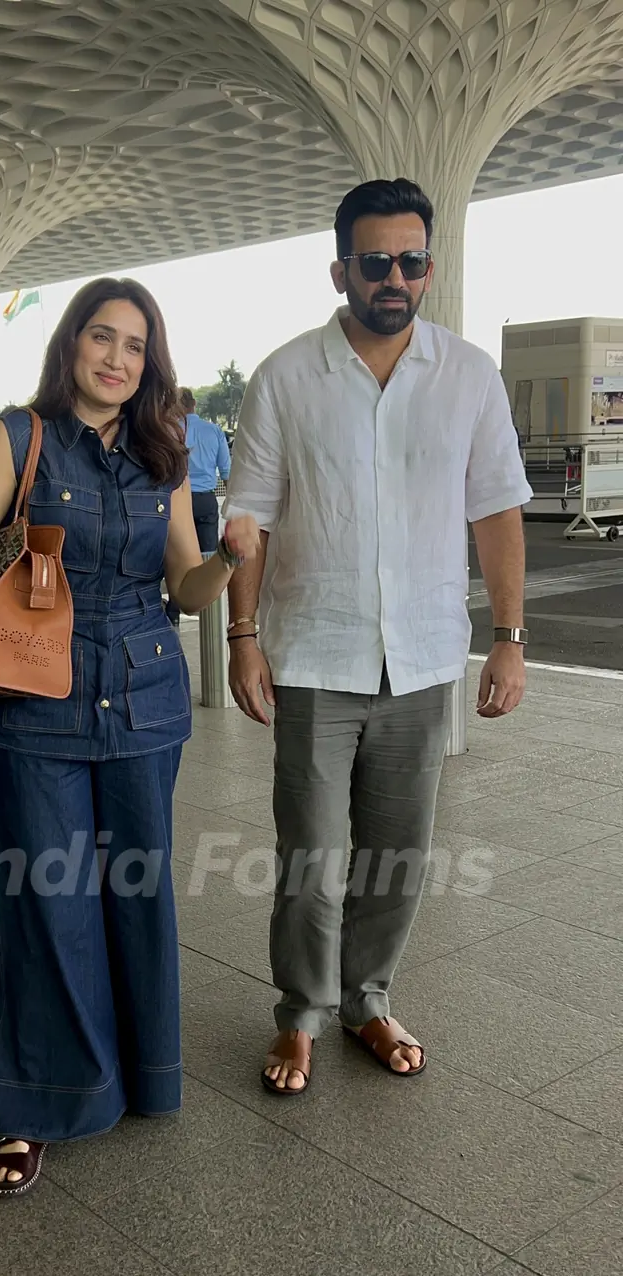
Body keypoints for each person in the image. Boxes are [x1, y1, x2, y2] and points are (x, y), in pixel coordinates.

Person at [0, 276, 259, 1194]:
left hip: (145, 704)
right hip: (36, 704)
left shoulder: (164, 453)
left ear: (150, 362)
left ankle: (136, 1078)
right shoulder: (15, 437)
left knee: (134, 896)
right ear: (70, 345)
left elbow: (182, 589)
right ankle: (33, 1107)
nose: (118, 359)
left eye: (135, 346)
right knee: (42, 903)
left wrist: (230, 558)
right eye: (102, 338)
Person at [224, 178, 533, 1096]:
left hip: (424, 655)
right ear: (341, 269)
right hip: (314, 655)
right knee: (312, 861)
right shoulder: (288, 375)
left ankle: (366, 998)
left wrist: (510, 636)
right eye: (375, 260)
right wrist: (242, 634)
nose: (394, 276)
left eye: (412, 260)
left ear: (429, 270)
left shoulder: (469, 374)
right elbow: (252, 515)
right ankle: (300, 1014)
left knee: (399, 855)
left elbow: (497, 510)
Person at [164, 387, 231, 626]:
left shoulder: (168, 431)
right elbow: (226, 471)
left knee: (174, 558)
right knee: (209, 556)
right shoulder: (214, 431)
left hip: (174, 498)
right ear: (194, 405)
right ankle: (211, 613)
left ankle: (172, 612)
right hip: (205, 499)